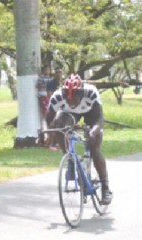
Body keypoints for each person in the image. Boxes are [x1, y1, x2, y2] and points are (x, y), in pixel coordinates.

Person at [46, 74, 113, 205]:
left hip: (91, 114)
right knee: (59, 124)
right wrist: (47, 135)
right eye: (68, 99)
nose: (71, 102)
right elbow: (48, 120)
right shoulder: (57, 97)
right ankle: (70, 158)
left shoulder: (91, 93)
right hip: (70, 115)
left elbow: (99, 118)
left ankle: (105, 187)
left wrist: (94, 130)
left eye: (74, 99)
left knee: (94, 147)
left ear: (81, 94)